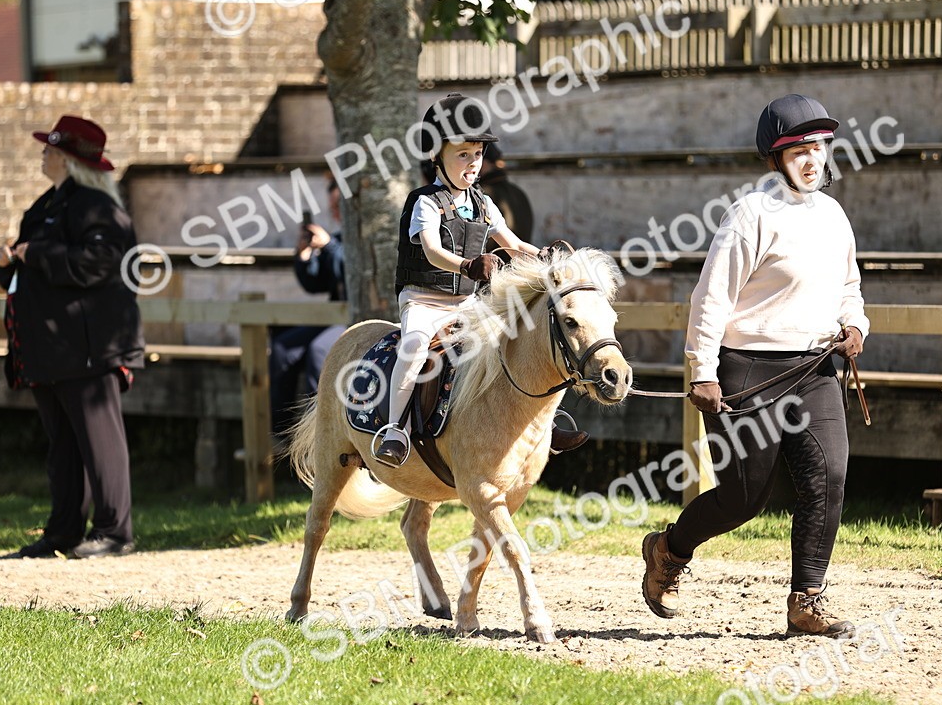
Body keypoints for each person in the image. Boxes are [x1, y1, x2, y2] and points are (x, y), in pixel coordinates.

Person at [640, 94, 869, 637]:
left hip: (814, 369)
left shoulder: (834, 216)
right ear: (775, 158)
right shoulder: (750, 215)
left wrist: (855, 325)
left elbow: (849, 286)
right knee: (744, 498)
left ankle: (806, 601)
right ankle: (668, 549)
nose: (812, 159)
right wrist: (702, 371)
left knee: (829, 477)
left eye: (819, 147)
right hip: (748, 370)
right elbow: (711, 297)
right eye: (798, 151)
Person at [372, 93, 587, 467]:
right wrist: (468, 266)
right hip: (424, 301)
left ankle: (546, 424)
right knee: (415, 347)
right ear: (435, 155)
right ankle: (394, 430)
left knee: (521, 341)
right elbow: (431, 251)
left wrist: (544, 257)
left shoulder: (483, 203)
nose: (473, 163)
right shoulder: (425, 203)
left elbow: (513, 244)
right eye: (462, 155)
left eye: (477, 154)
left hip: (467, 303)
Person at [0, 115, 145, 559]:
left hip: (89, 345)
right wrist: (8, 262)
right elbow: (26, 273)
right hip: (49, 345)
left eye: (50, 149)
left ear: (66, 158)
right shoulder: (44, 206)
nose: (43, 154)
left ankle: (114, 531)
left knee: (100, 441)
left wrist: (37, 253)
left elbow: (101, 262)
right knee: (62, 443)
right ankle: (63, 531)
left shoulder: (98, 207)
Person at [270, 179, 346, 437]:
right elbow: (316, 284)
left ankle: (319, 434)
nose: (335, 212)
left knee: (318, 351)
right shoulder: (337, 240)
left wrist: (329, 246)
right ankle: (281, 437)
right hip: (333, 316)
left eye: (339, 205)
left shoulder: (362, 238)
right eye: (332, 207)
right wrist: (303, 256)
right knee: (282, 348)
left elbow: (347, 270)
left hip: (358, 318)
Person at [477, 143, 535, 245]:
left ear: (486, 162)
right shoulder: (517, 191)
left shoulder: (483, 194)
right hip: (521, 253)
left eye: (477, 156)